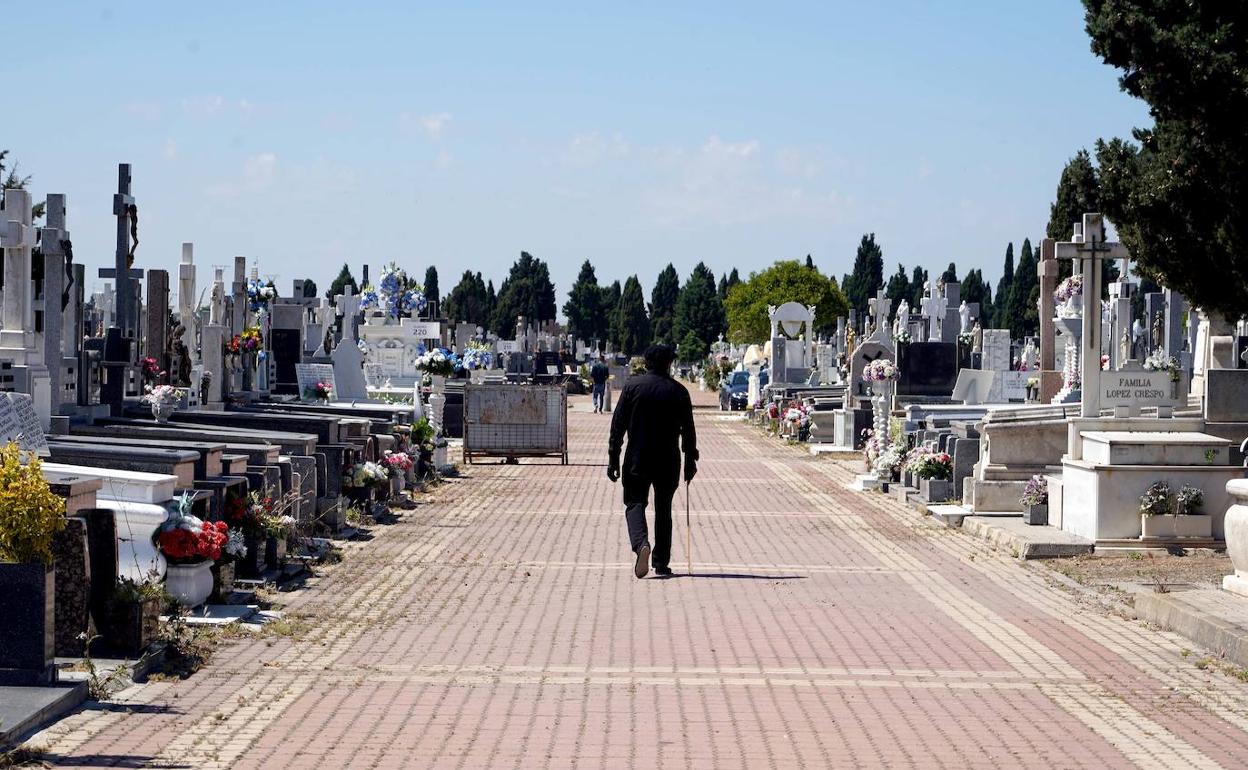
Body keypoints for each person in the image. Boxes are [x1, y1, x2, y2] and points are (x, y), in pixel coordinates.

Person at [607, 344, 698, 578]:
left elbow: (618, 425)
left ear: (646, 363)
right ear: (669, 364)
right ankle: (661, 562)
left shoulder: (632, 387)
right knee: (664, 509)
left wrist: (613, 457)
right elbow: (689, 430)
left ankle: (641, 544)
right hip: (668, 459)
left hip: (637, 456)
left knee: (635, 503)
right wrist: (690, 460)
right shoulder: (679, 391)